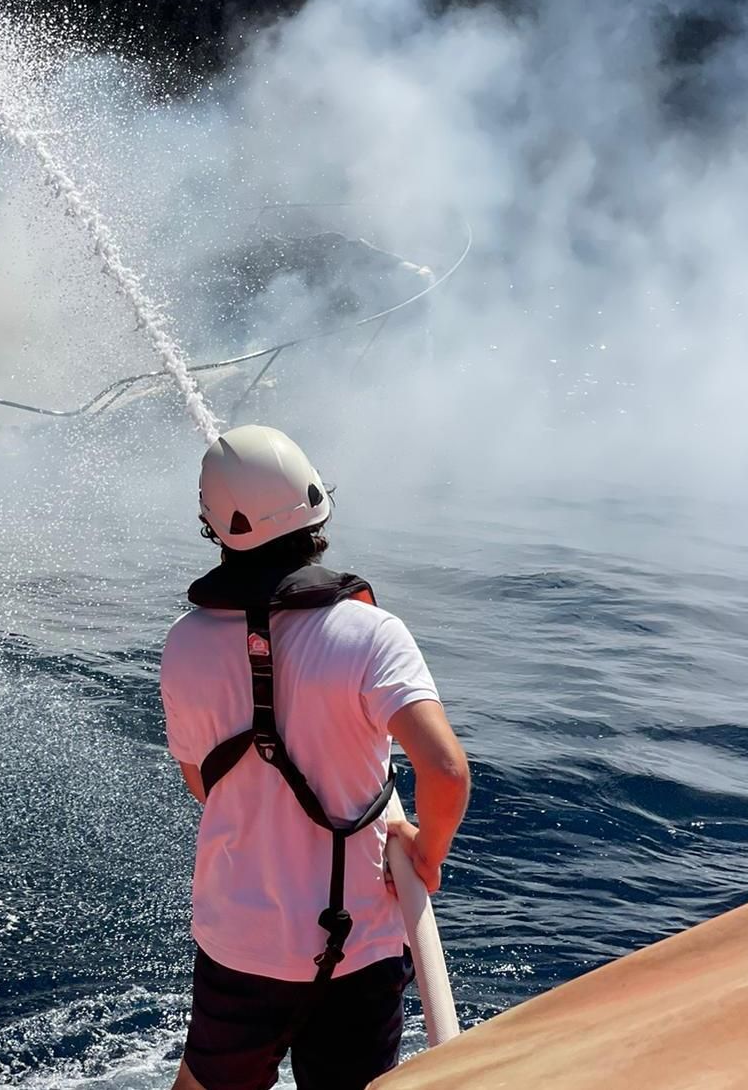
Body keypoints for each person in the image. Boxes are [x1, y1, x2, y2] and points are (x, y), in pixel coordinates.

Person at [161, 425, 470, 1090]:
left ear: (213, 527)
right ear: (316, 507)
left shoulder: (183, 646)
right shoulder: (370, 633)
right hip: (360, 945)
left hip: (241, 944)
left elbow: (202, 785)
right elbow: (445, 771)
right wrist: (426, 854)